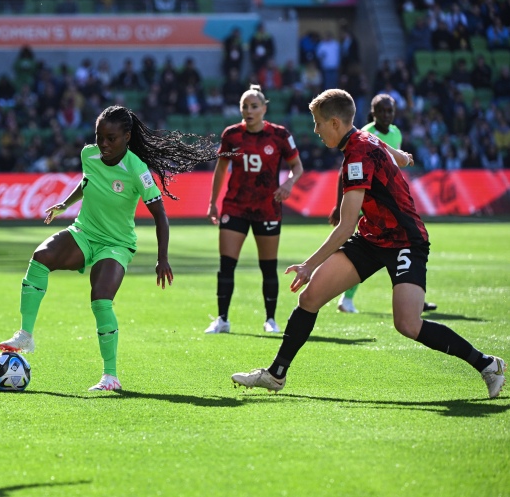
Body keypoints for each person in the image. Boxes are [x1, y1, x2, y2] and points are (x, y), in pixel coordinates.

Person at [231, 88, 505, 399]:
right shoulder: (361, 138)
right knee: (310, 298)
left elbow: (345, 226)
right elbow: (380, 144)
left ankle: (487, 364)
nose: (316, 130)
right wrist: (401, 156)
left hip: (405, 240)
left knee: (408, 324)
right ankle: (276, 374)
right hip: (372, 237)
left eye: (318, 123)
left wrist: (308, 265)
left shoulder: (356, 157)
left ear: (335, 123)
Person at [0, 105, 219, 391]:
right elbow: (88, 181)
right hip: (84, 232)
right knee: (41, 258)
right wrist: (65, 203)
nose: (103, 144)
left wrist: (162, 258)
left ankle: (110, 376)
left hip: (116, 244)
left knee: (100, 298)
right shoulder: (89, 155)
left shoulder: (137, 170)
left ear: (127, 137)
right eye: (99, 137)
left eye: (110, 138)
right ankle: (25, 335)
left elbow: (160, 216)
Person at [205, 85, 304, 335]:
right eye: (245, 107)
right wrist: (213, 202)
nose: (249, 111)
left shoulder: (279, 135)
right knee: (226, 265)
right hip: (235, 206)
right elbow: (220, 169)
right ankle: (222, 319)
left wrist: (289, 183)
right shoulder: (231, 135)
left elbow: (297, 166)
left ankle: (270, 320)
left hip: (267, 207)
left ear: (264, 109)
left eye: (254, 106)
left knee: (268, 267)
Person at [329, 93, 437, 314]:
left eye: (390, 111)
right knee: (365, 251)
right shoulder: (366, 133)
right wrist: (339, 205)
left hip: (388, 201)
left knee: (397, 247)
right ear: (373, 112)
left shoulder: (396, 133)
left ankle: (413, 294)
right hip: (365, 200)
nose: (387, 114)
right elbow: (345, 170)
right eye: (382, 111)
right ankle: (346, 298)